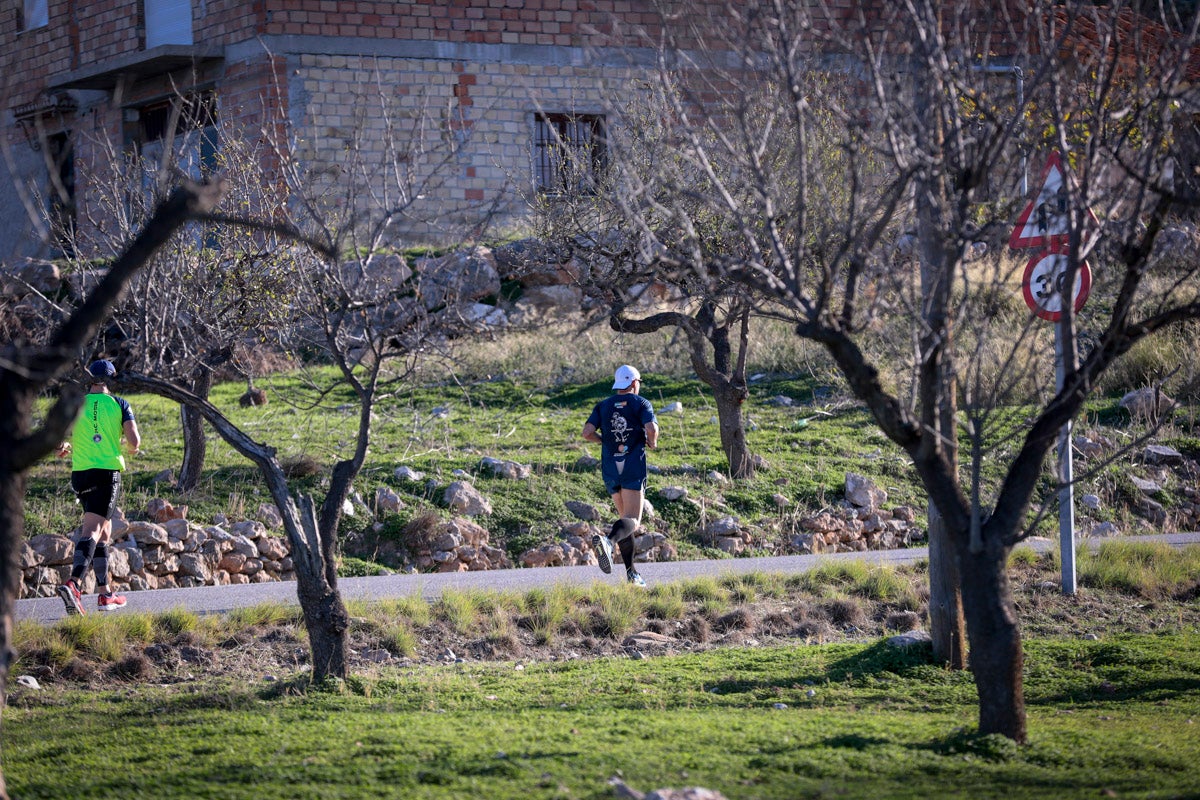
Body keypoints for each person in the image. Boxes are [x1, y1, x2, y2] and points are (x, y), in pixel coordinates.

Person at [55, 359, 141, 615]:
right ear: (112, 380)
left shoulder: (76, 404)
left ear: (89, 378)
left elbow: (57, 441)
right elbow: (134, 440)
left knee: (105, 529)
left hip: (80, 474)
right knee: (93, 529)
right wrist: (131, 448)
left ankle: (104, 594)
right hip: (106, 473)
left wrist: (65, 447)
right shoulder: (120, 404)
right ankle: (74, 584)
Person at [582, 365, 659, 586]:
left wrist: (604, 440)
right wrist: (652, 443)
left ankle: (632, 574)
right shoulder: (641, 403)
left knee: (625, 520)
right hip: (632, 465)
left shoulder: (603, 405)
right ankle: (608, 541)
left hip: (610, 468)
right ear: (634, 383)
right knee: (633, 520)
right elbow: (652, 429)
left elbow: (587, 433)